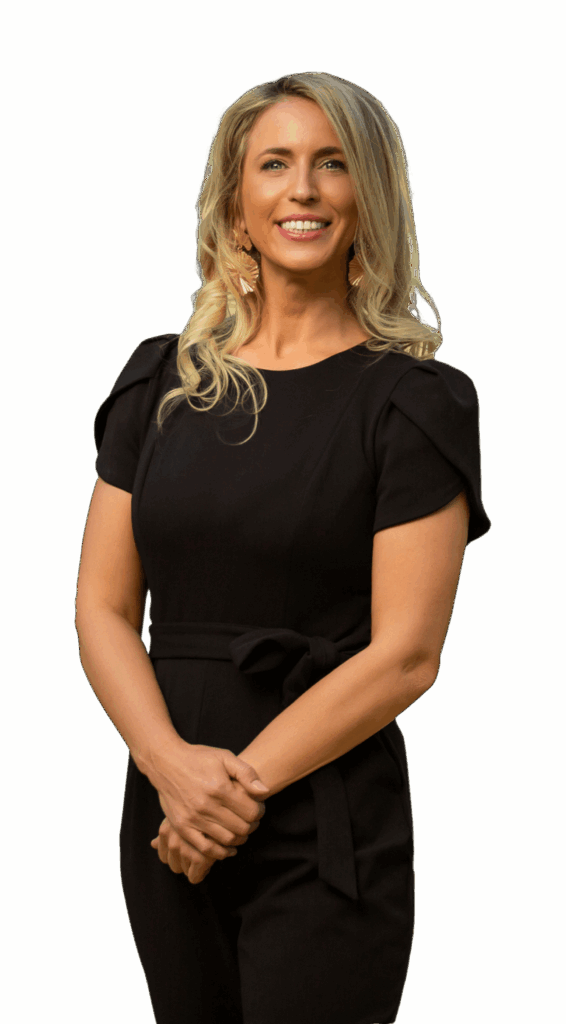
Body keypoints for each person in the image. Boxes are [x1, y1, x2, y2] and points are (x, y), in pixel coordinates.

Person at [75, 71, 492, 1024]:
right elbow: (101, 607)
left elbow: (408, 654)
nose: (303, 188)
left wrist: (234, 790)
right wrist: (171, 769)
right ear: (236, 199)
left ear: (370, 195)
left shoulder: (414, 403)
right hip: (167, 809)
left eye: (332, 163)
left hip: (320, 819)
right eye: (275, 163)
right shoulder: (160, 382)